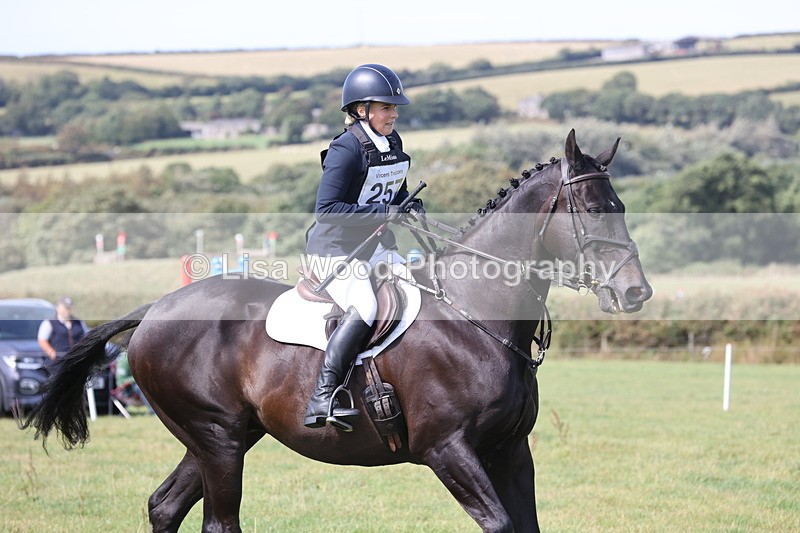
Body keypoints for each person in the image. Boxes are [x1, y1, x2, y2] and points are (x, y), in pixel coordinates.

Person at [303, 64, 424, 429]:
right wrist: (382, 211)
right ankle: (322, 397)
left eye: (393, 107)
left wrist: (406, 203)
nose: (393, 114)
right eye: (385, 107)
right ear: (361, 111)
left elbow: (391, 190)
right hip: (335, 250)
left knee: (424, 289)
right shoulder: (345, 149)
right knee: (366, 305)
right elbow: (326, 211)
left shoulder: (393, 143)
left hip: (376, 246)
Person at [38, 296, 90, 363]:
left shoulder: (79, 323)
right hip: (57, 363)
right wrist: (51, 352)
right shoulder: (49, 323)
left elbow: (87, 337)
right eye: (65, 307)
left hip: (76, 362)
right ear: (58, 308)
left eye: (69, 308)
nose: (67, 310)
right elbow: (42, 340)